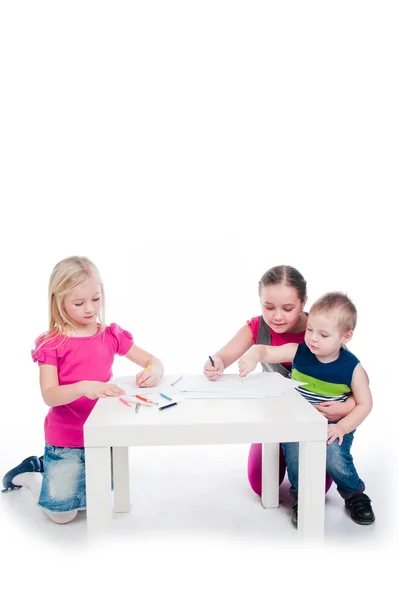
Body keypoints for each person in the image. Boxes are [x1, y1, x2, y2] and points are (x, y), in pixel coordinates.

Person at [2, 256, 164, 524]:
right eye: (79, 303)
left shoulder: (110, 335)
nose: (90, 309)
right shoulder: (51, 343)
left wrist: (153, 373)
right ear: (59, 301)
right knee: (62, 516)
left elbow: (154, 361)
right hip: (66, 439)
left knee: (94, 503)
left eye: (96, 299)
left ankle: (53, 476)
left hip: (101, 436)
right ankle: (33, 474)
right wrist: (82, 388)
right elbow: (49, 395)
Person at [203, 265, 356, 495]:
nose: (277, 316)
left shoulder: (320, 330)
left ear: (303, 303)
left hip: (313, 417)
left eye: (287, 308)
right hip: (275, 415)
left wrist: (346, 407)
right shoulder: (257, 327)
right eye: (269, 307)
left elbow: (351, 380)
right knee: (261, 484)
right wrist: (215, 363)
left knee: (317, 488)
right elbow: (224, 357)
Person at [238, 291, 375, 527]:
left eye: (323, 334)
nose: (313, 338)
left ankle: (354, 493)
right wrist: (254, 354)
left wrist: (342, 426)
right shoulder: (300, 352)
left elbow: (365, 403)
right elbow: (267, 351)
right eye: (310, 329)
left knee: (334, 457)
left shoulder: (352, 368)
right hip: (299, 423)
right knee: (295, 456)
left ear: (346, 336)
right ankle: (301, 497)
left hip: (334, 426)